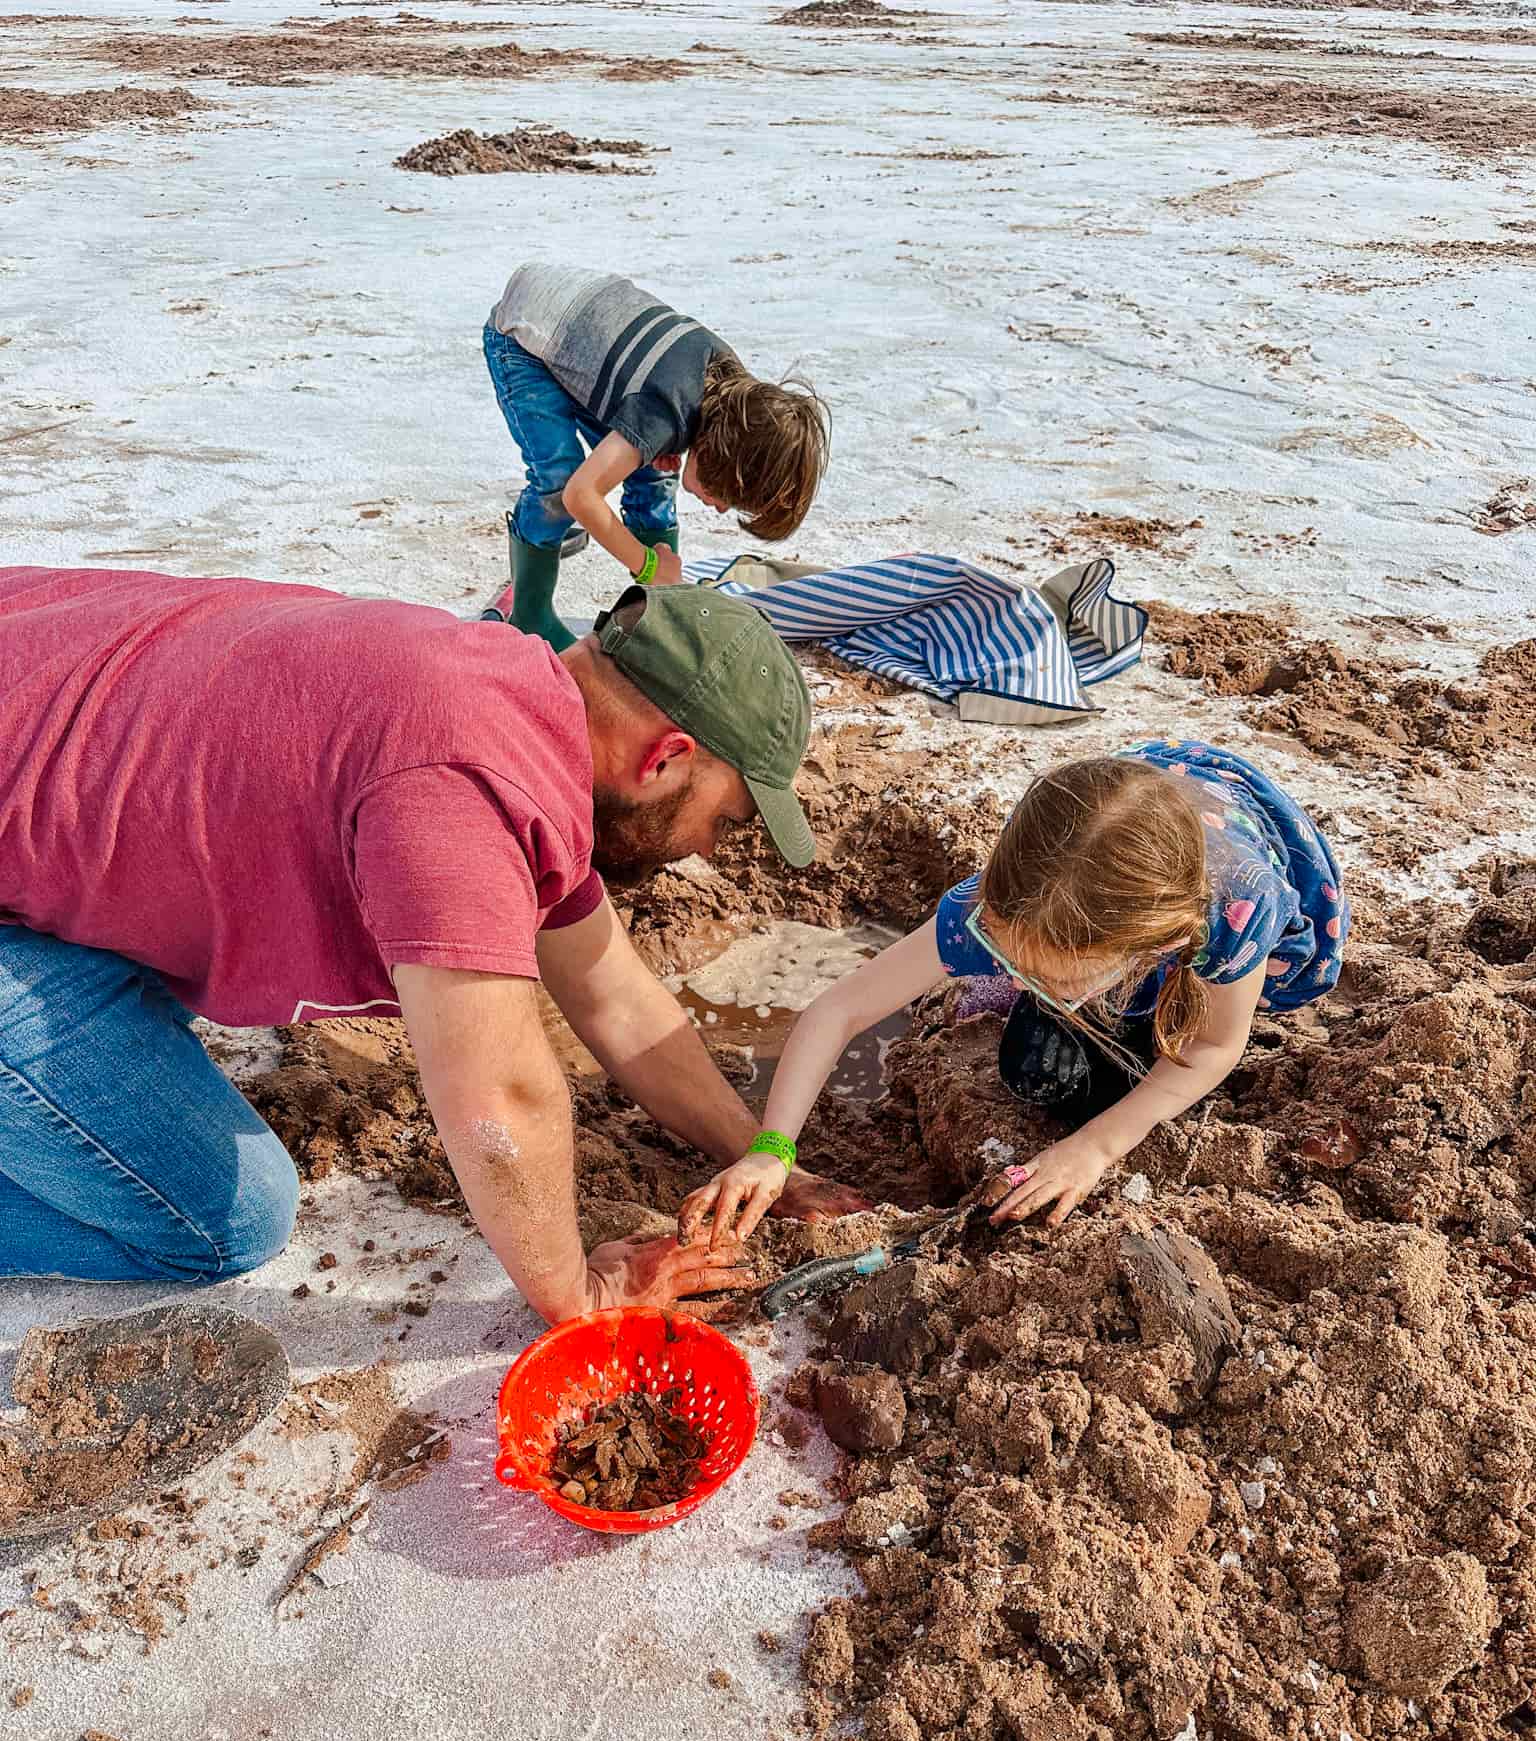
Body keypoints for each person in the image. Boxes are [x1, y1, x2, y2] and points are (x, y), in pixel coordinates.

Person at [0, 566, 865, 1324]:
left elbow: (615, 997)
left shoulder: (501, 696)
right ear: (666, 757)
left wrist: (759, 1153)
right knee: (223, 1217)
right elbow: (503, 1098)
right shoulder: (460, 788)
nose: (712, 849)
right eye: (727, 816)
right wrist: (579, 1296)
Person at [678, 742, 1349, 1244]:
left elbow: (1215, 1045)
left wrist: (1093, 1148)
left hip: (1217, 885)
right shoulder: (1005, 902)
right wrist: (773, 1149)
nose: (1036, 983)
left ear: (1150, 944)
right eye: (1010, 960)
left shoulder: (1232, 913)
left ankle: (1127, 1004)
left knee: (1140, 1070)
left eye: (1053, 976)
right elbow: (839, 1008)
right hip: (1122, 862)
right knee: (1031, 1069)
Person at [483, 261, 829, 648]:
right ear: (715, 452)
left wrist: (662, 442)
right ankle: (530, 616)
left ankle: (662, 606)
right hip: (528, 334)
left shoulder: (732, 395)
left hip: (591, 330)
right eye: (726, 498)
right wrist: (646, 566)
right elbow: (581, 496)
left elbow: (657, 400)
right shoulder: (662, 412)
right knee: (558, 477)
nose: (718, 509)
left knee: (653, 473)